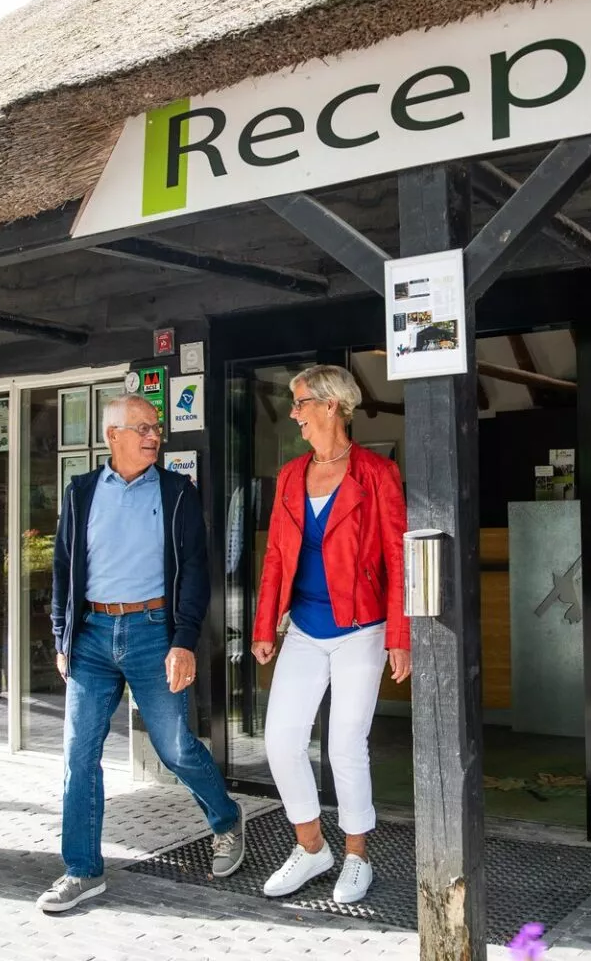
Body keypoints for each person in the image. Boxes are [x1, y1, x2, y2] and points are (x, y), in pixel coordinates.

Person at [38, 394, 244, 913]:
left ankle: (226, 819)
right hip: (91, 636)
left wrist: (183, 641)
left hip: (154, 631)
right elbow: (63, 567)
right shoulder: (81, 492)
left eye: (157, 428)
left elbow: (195, 571)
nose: (155, 436)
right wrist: (62, 635)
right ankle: (82, 870)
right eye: (144, 428)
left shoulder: (177, 493)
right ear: (113, 436)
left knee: (174, 748)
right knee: (79, 756)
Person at [251, 364, 411, 905]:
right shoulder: (291, 475)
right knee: (281, 741)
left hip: (362, 629)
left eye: (301, 402)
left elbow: (397, 557)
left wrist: (399, 634)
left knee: (345, 744)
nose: (294, 413)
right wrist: (265, 624)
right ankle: (312, 847)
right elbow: (276, 556)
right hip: (303, 627)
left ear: (331, 405)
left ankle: (357, 856)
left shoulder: (376, 473)